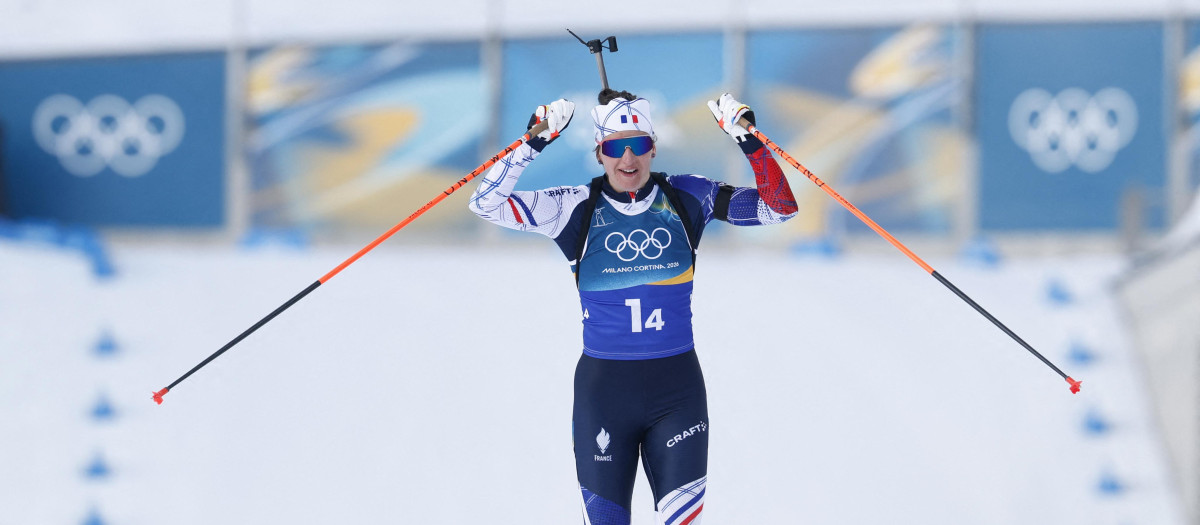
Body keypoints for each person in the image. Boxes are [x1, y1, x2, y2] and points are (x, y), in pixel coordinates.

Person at [469, 90, 798, 525]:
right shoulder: (573, 208)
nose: (628, 158)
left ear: (654, 147)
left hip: (676, 391)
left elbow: (779, 209)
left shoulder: (686, 196)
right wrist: (532, 141)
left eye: (639, 144)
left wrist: (749, 140)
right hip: (604, 393)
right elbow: (484, 203)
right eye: (613, 147)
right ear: (599, 153)